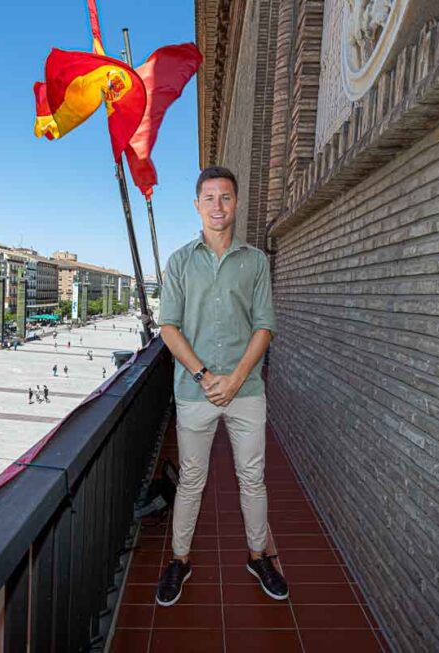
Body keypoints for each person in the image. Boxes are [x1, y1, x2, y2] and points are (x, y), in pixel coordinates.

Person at [154, 166, 286, 607]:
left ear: (236, 203)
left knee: (253, 478)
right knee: (192, 478)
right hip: (195, 393)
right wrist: (205, 377)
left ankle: (258, 556)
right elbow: (168, 327)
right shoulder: (178, 262)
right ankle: (179, 561)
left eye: (225, 197)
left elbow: (265, 325)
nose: (217, 206)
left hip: (245, 391)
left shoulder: (255, 262)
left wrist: (235, 378)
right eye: (209, 198)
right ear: (197, 205)